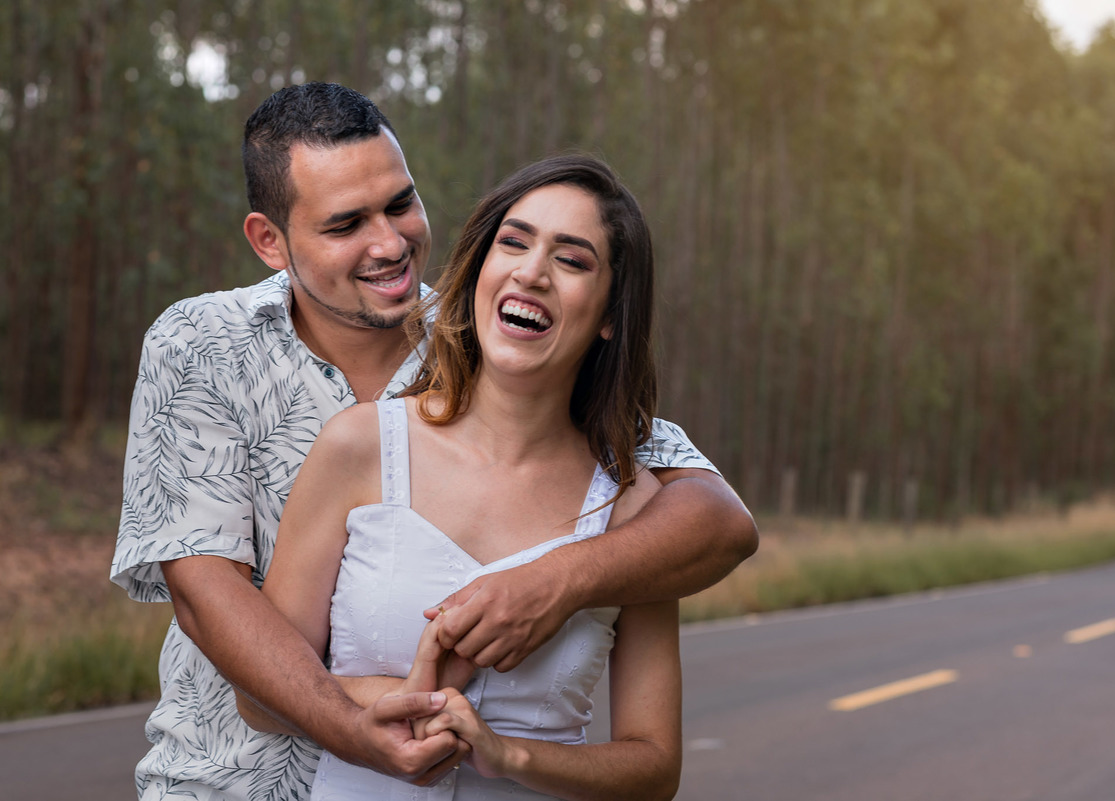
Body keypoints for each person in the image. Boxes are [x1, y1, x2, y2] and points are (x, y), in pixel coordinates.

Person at [111, 82, 756, 801]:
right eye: (345, 224)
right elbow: (204, 592)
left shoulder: (493, 336)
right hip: (224, 781)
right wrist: (359, 729)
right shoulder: (201, 346)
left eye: (400, 203)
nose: (389, 244)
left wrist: (554, 582)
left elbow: (711, 515)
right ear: (271, 241)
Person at [239, 153, 683, 800]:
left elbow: (655, 766)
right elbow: (259, 695)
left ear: (611, 312)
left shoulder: (637, 513)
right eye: (514, 242)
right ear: (480, 269)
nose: (532, 272)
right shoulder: (359, 445)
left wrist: (506, 752)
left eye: (572, 259)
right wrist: (398, 705)